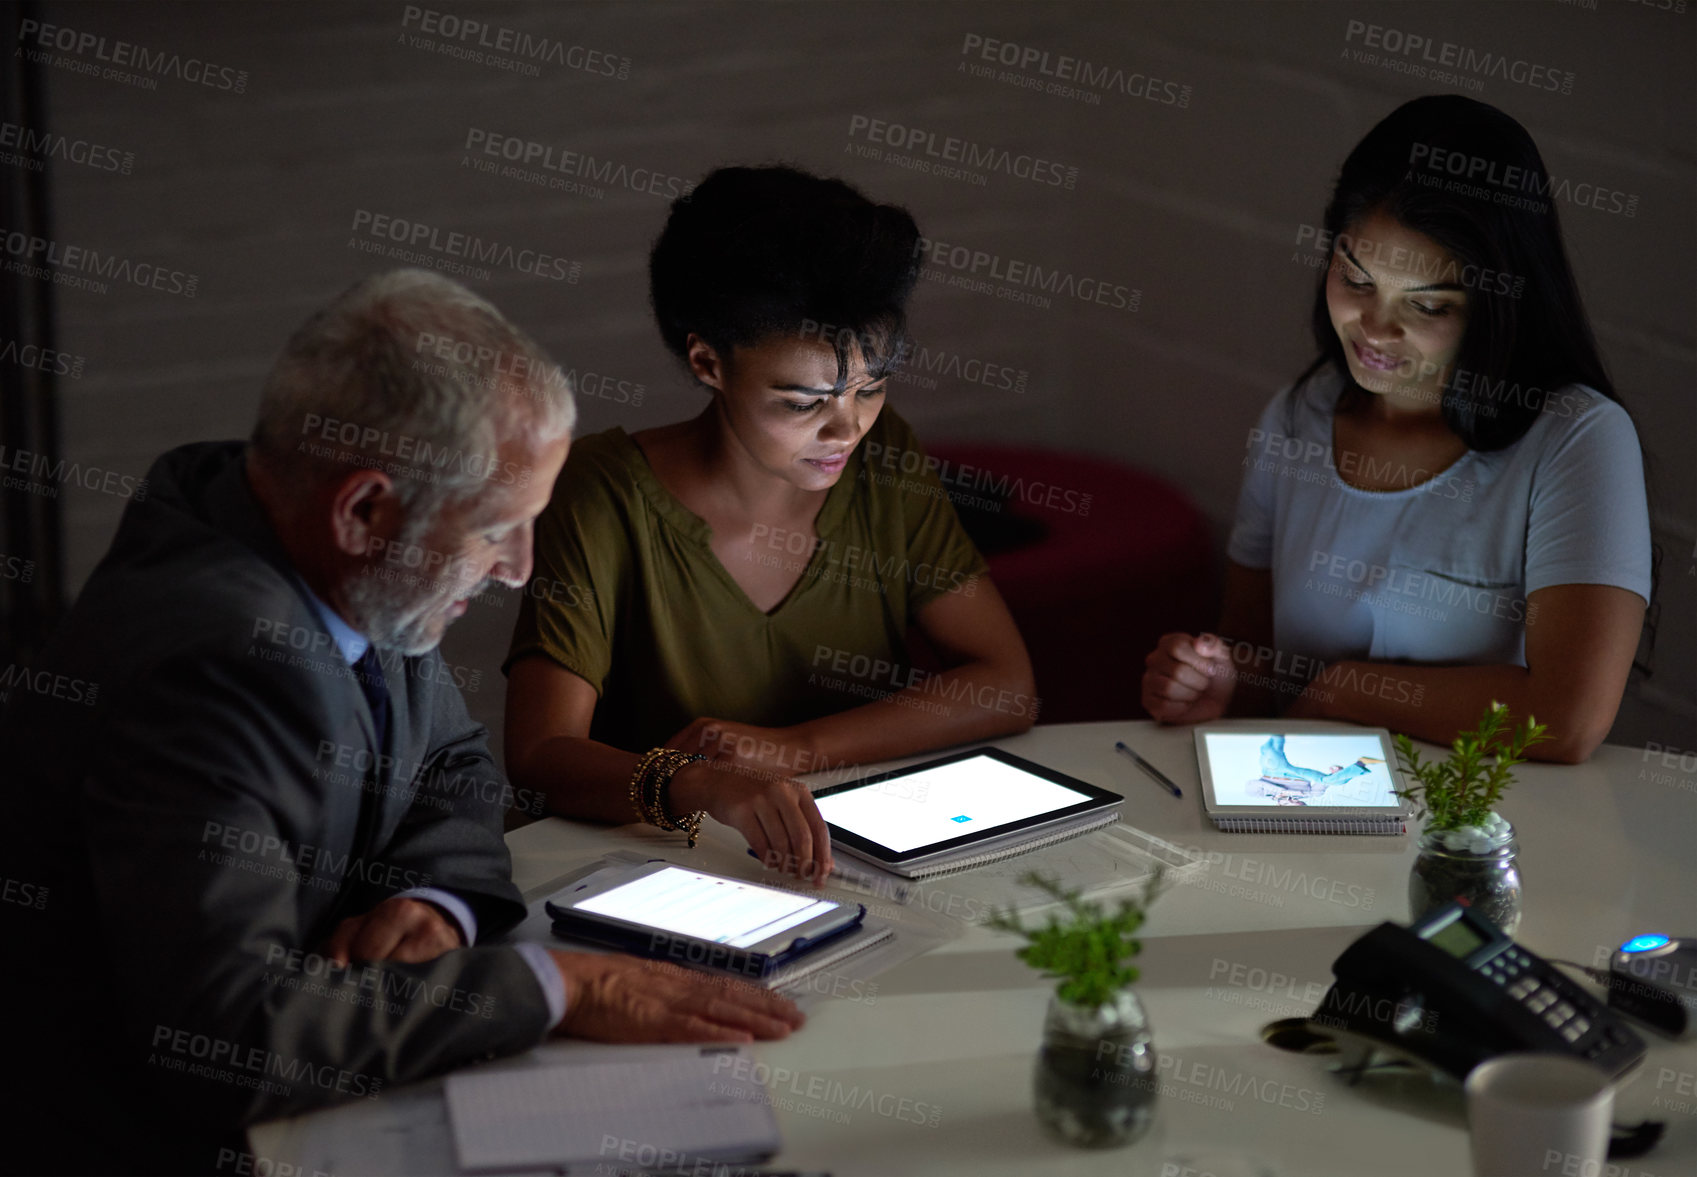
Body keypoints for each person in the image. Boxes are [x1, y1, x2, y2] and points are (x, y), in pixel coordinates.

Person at [0, 270, 800, 1176]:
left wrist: (432, 899)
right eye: (498, 527)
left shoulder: (320, 532)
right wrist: (552, 985)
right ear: (363, 508)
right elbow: (228, 1036)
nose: (515, 568)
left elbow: (452, 763)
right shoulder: (215, 662)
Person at [504, 167, 1037, 880]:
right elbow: (541, 757)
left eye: (871, 387)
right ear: (707, 362)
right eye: (800, 402)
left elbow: (1004, 685)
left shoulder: (883, 460)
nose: (844, 429)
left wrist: (795, 748)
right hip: (652, 870)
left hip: (852, 856)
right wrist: (701, 783)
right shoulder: (603, 492)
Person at [1141, 96, 1651, 763]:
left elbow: (1567, 716)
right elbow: (1256, 670)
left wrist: (1346, 690)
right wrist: (1215, 685)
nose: (1376, 329)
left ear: (1496, 303)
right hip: (1305, 815)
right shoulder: (1299, 417)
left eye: (1427, 305)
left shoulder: (1575, 439)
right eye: (1355, 279)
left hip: (1488, 836)